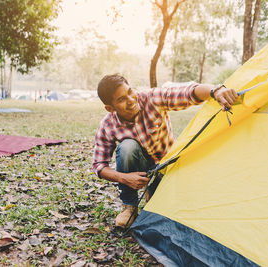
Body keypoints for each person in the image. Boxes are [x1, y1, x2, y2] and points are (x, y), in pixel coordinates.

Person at [92, 74, 238, 227]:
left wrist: (215, 90)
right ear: (110, 108)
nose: (130, 100)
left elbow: (189, 93)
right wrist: (124, 178)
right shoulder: (108, 125)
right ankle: (129, 206)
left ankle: (154, 194)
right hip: (138, 170)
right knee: (127, 147)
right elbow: (99, 166)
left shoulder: (152, 98)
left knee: (169, 212)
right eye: (121, 99)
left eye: (130, 92)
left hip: (166, 167)